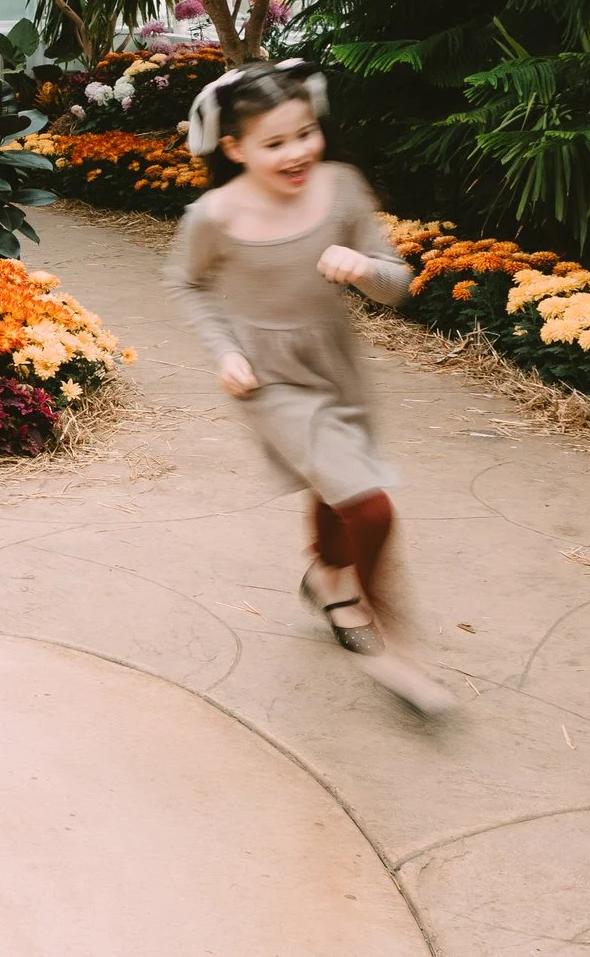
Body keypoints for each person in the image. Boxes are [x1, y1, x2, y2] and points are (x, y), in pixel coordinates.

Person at [161, 59, 458, 717]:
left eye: (304, 134)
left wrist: (363, 268)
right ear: (234, 147)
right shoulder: (215, 212)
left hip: (337, 364)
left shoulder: (343, 188)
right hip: (269, 379)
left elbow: (397, 282)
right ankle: (395, 646)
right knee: (370, 503)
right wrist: (226, 349)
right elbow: (186, 282)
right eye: (274, 143)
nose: (296, 152)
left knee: (338, 484)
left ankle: (326, 576)